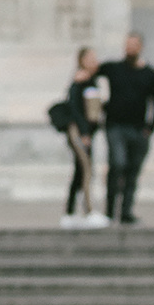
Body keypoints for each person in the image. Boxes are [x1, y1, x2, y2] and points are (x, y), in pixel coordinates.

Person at [99, 34, 154, 226]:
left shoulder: (150, 74)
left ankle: (126, 211)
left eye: (134, 45)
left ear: (141, 47)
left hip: (138, 130)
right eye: (127, 45)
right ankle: (110, 211)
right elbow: (90, 73)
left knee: (132, 171)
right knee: (117, 164)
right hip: (115, 127)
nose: (130, 48)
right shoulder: (113, 69)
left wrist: (151, 127)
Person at [59, 48, 107, 230]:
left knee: (80, 171)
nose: (94, 61)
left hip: (87, 131)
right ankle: (88, 211)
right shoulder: (79, 81)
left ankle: (70, 212)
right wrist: (85, 132)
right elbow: (76, 110)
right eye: (90, 58)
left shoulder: (92, 80)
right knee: (86, 169)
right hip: (79, 132)